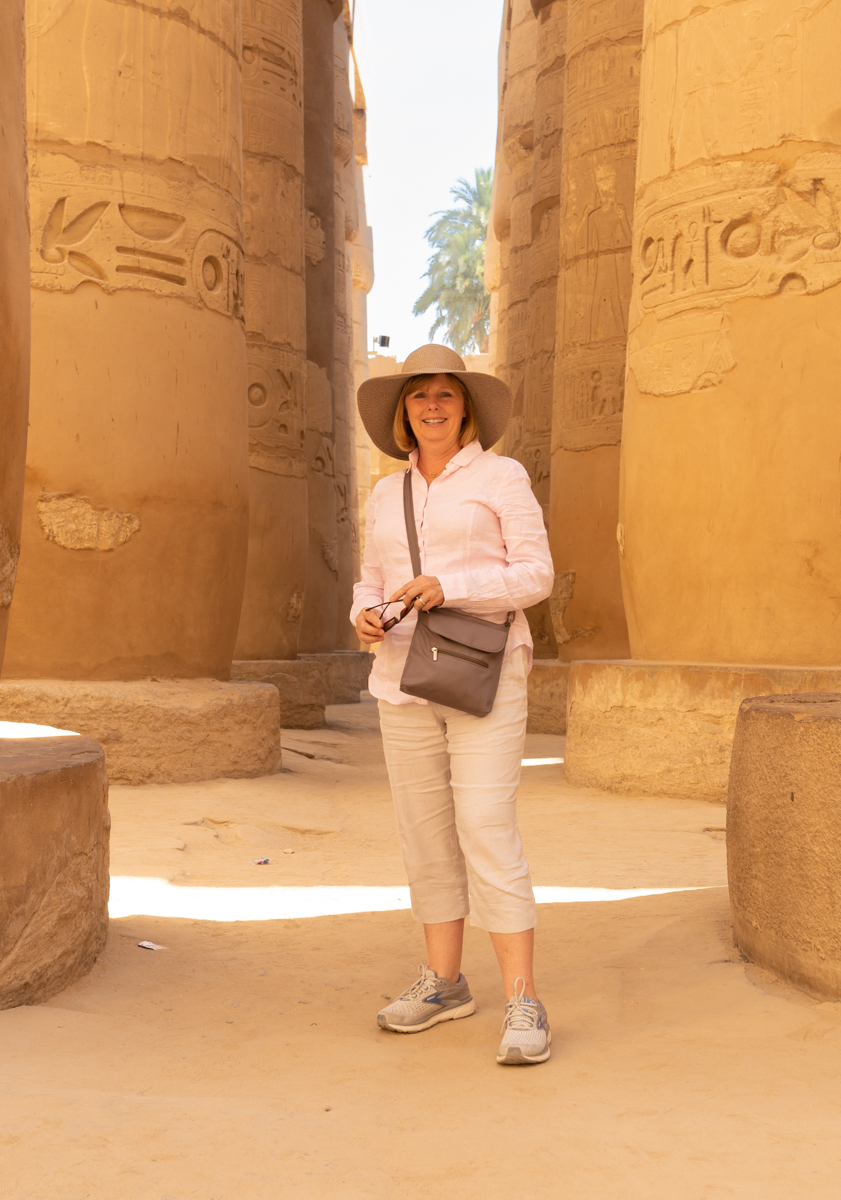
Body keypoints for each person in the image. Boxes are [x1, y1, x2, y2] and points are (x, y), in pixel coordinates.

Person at [351, 343, 556, 1065]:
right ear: (403, 412)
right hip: (400, 676)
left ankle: (523, 998)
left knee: (486, 823)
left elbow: (536, 575)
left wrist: (451, 585)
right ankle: (444, 981)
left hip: (485, 672)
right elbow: (371, 576)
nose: (433, 406)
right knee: (425, 829)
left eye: (445, 394)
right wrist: (364, 614)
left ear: (466, 406)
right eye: (419, 396)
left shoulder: (502, 477)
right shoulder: (385, 494)